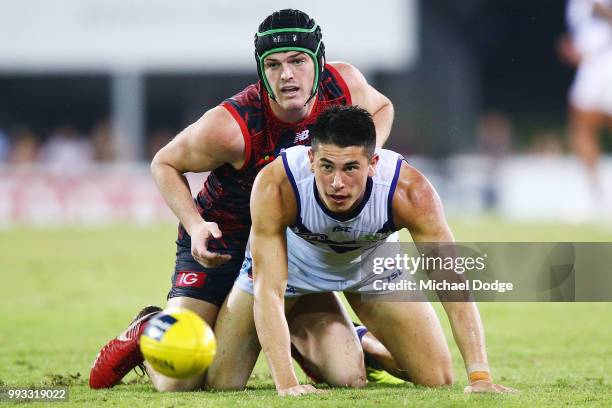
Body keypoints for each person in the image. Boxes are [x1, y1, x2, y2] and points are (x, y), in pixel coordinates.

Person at [89, 9, 395, 391]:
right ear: (260, 69)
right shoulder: (232, 126)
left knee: (349, 377)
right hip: (224, 241)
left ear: (318, 62)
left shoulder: (344, 85)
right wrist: (195, 225)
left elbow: (382, 108)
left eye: (298, 61)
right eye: (273, 65)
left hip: (289, 246)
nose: (286, 75)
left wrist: (365, 159)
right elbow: (164, 163)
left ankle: (321, 338)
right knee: (180, 382)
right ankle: (152, 326)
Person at [220, 105, 516, 396]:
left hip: (371, 266)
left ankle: (361, 339)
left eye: (350, 168)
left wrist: (479, 376)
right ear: (311, 159)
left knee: (437, 377)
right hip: (293, 269)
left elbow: (453, 283)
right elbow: (269, 289)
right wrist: (286, 383)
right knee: (222, 381)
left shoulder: (410, 192)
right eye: (326, 166)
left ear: (373, 163)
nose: (337, 183)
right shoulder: (277, 184)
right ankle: (303, 322)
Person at [563, 0, 612, 209]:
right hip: (591, 64)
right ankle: (596, 193)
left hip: (606, 61)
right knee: (581, 126)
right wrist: (576, 49)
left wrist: (602, 10)